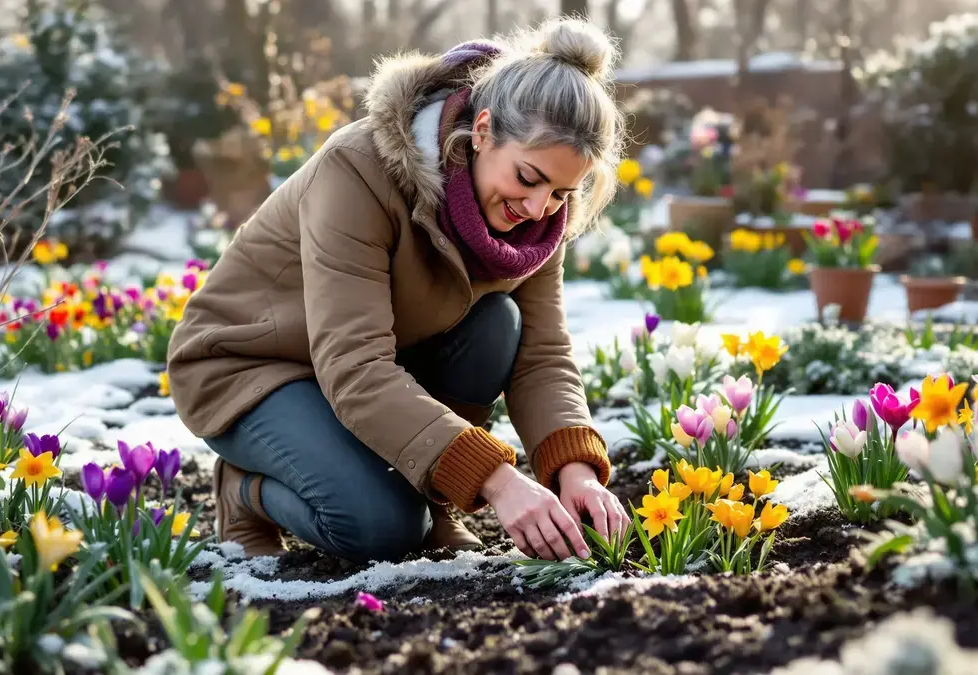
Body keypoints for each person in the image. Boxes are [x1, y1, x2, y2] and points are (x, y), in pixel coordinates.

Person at [166, 17, 632, 564]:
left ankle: (434, 502)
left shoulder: (536, 219)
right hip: (254, 366)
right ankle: (244, 493)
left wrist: (575, 472)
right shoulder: (358, 172)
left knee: (498, 326)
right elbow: (354, 366)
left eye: (561, 192)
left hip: (370, 361)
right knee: (378, 529)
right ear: (481, 132)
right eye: (528, 179)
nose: (538, 209)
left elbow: (543, 356)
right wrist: (498, 480)